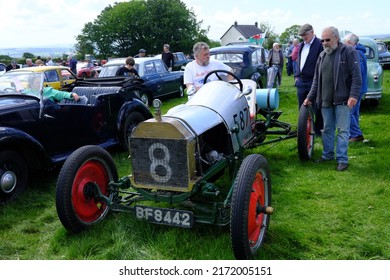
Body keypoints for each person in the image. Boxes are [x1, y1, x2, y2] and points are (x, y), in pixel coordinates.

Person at [303, 26, 362, 171]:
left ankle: (342, 160)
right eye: (322, 40)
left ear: (336, 38)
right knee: (327, 129)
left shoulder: (348, 51)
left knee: (342, 130)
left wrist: (353, 95)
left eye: (327, 40)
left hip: (343, 100)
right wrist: (309, 97)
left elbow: (357, 76)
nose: (324, 43)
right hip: (325, 101)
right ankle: (327, 155)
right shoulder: (322, 56)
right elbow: (316, 80)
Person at [295, 23, 324, 136]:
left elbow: (322, 63)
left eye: (305, 35)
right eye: (302, 36)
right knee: (302, 108)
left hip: (314, 81)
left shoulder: (319, 44)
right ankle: (304, 130)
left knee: (317, 108)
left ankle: (318, 131)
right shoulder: (301, 45)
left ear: (312, 32)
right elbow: (299, 61)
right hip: (301, 82)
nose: (303, 38)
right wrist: (296, 76)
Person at [344, 33, 367, 142]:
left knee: (348, 112)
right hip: (360, 88)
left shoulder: (356, 54)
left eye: (345, 42)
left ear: (349, 43)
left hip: (356, 88)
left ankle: (356, 134)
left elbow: (358, 72)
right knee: (354, 112)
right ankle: (353, 135)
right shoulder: (360, 52)